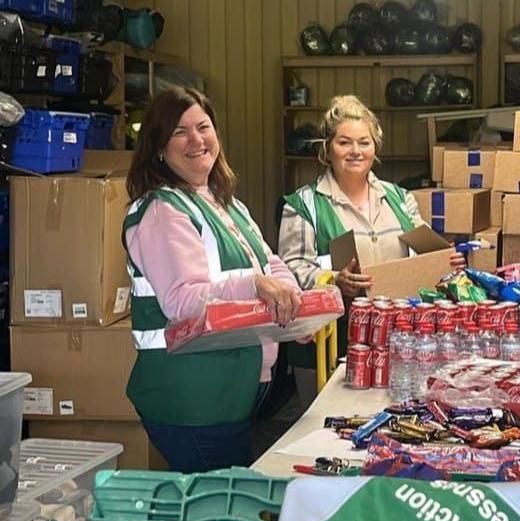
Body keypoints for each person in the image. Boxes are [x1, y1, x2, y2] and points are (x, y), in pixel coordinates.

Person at [123, 87, 302, 473]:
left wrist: (296, 302)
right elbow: (182, 301)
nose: (196, 140)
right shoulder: (161, 211)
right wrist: (254, 285)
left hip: (230, 394)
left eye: (203, 126)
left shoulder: (225, 203)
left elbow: (270, 262)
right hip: (192, 403)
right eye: (180, 132)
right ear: (158, 147)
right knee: (222, 512)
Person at [278, 95, 465, 402]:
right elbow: (291, 268)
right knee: (326, 432)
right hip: (329, 345)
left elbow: (425, 254)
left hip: (395, 341)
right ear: (327, 149)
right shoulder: (304, 205)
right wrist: (335, 281)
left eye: (364, 142)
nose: (355, 151)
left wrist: (446, 262)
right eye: (344, 142)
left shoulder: (399, 198)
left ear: (375, 147)